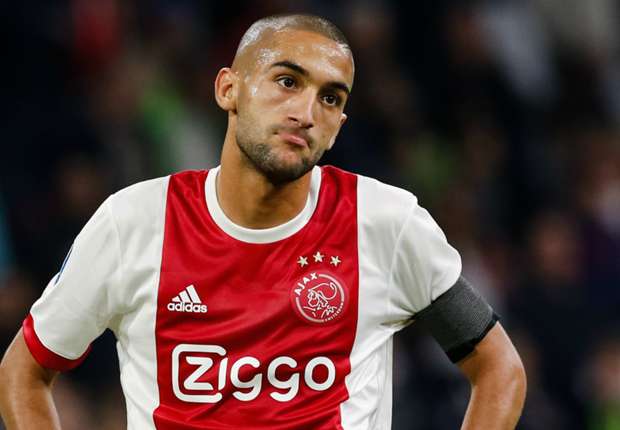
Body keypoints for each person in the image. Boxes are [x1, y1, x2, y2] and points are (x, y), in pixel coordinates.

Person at [0, 14, 526, 430]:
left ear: (339, 126)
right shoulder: (133, 223)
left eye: (330, 98)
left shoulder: (387, 223)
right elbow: (24, 370)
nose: (306, 112)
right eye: (287, 81)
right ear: (228, 89)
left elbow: (499, 367)